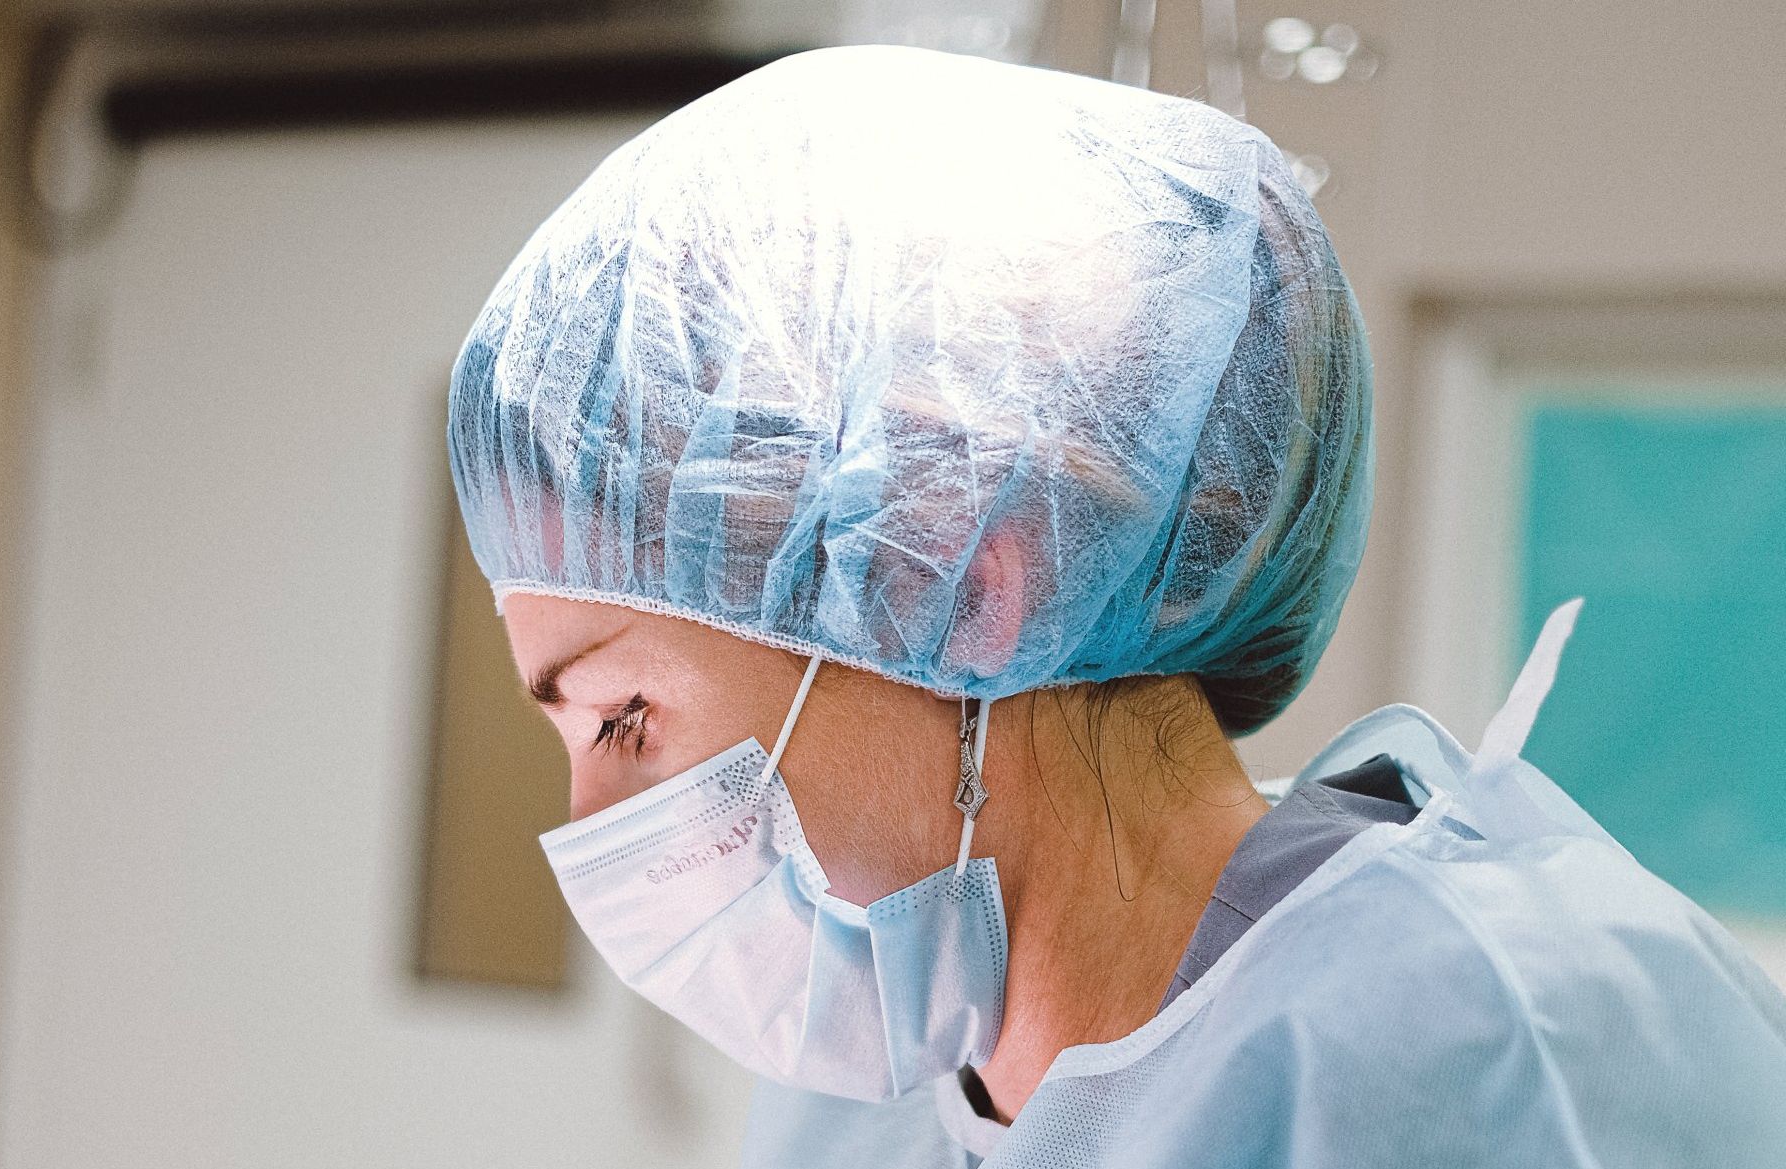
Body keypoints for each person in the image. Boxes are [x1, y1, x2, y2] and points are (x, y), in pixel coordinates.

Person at [447, 44, 1786, 1168]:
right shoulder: (866, 1109)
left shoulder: (1497, 1042)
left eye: (625, 715)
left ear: (957, 584)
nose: (597, 834)